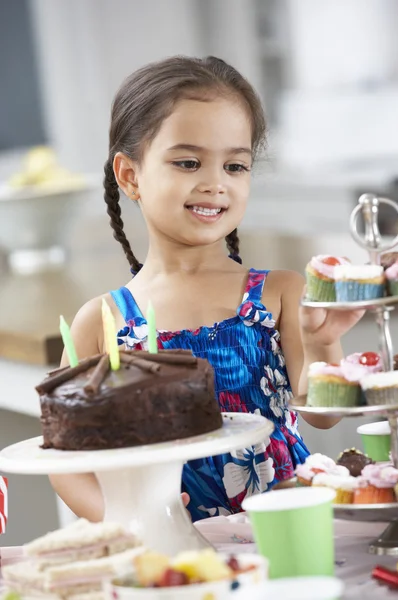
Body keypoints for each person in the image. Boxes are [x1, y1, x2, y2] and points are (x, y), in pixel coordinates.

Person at [50, 56, 363, 522]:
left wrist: (322, 340)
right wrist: (132, 522)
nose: (215, 183)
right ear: (130, 175)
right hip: (176, 559)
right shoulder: (102, 321)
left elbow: (323, 415)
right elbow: (66, 462)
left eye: (235, 166)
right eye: (189, 162)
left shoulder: (279, 293)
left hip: (286, 528)